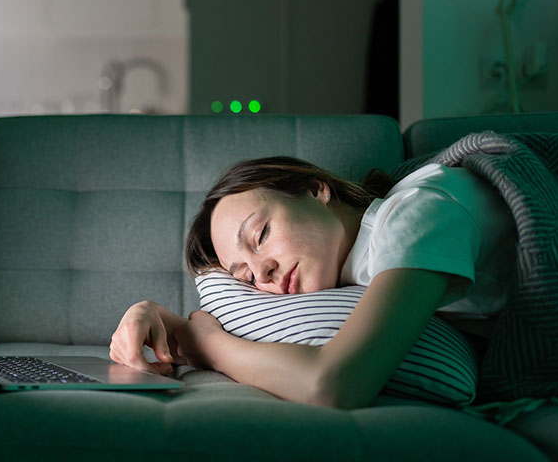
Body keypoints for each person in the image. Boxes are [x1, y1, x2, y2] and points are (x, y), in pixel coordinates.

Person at [108, 156, 517, 409]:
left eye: (261, 235)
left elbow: (335, 384)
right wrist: (157, 315)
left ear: (316, 190)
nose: (262, 273)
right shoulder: (352, 264)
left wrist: (204, 344)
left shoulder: (417, 215)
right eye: (246, 276)